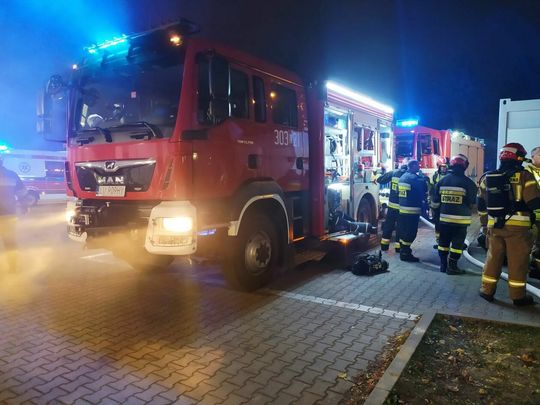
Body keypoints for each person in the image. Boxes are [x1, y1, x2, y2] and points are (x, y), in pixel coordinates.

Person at [477, 143, 540, 306]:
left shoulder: (487, 177)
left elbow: (481, 205)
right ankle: (518, 297)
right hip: (518, 229)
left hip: (494, 226)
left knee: (493, 259)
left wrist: (485, 225)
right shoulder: (525, 176)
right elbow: (534, 203)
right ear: (518, 157)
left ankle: (486, 291)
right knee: (518, 262)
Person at [432, 154, 477, 275]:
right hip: (460, 222)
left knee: (443, 243)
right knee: (457, 245)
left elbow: (435, 203)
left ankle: (443, 265)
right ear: (465, 166)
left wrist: (437, 216)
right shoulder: (469, 183)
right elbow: (472, 203)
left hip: (444, 221)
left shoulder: (441, 181)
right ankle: (452, 267)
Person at [0, 154, 30, 271]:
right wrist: (24, 206)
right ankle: (13, 267)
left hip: (8, 215)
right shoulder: (11, 175)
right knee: (10, 242)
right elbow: (22, 193)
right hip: (8, 215)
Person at [397, 160, 428, 262]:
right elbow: (424, 188)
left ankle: (403, 250)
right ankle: (405, 254)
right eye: (418, 165)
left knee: (404, 231)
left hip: (402, 210)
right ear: (413, 166)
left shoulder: (402, 178)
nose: (419, 167)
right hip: (412, 211)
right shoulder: (415, 178)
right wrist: (423, 177)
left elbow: (398, 192)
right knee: (411, 233)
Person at [377, 161, 408, 253]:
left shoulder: (394, 173)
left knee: (388, 225)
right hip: (402, 207)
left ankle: (384, 246)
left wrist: (379, 172)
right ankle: (398, 248)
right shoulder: (408, 176)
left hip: (392, 206)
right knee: (401, 227)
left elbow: (380, 180)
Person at [525, 146, 540, 279]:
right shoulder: (527, 171)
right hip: (532, 214)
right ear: (532, 157)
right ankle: (527, 267)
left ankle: (536, 268)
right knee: (528, 243)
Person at [430, 157, 450, 248]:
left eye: (445, 167)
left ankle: (446, 241)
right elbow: (431, 189)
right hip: (437, 202)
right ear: (439, 167)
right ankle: (438, 241)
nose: (444, 169)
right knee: (437, 223)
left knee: (446, 223)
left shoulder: (450, 176)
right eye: (442, 167)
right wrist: (430, 200)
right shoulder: (435, 176)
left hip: (447, 202)